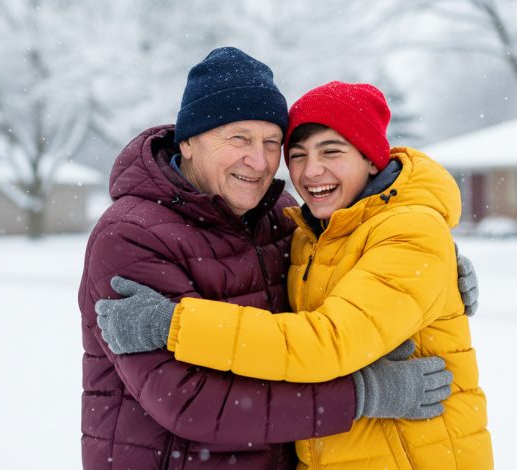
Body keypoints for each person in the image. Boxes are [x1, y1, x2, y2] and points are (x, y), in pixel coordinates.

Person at [79, 48, 478, 470]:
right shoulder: (131, 235)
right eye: (239, 138)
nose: (259, 160)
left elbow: (336, 264)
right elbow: (189, 401)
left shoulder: (279, 216)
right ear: (189, 141)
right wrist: (361, 395)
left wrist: (431, 269)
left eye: (272, 142)